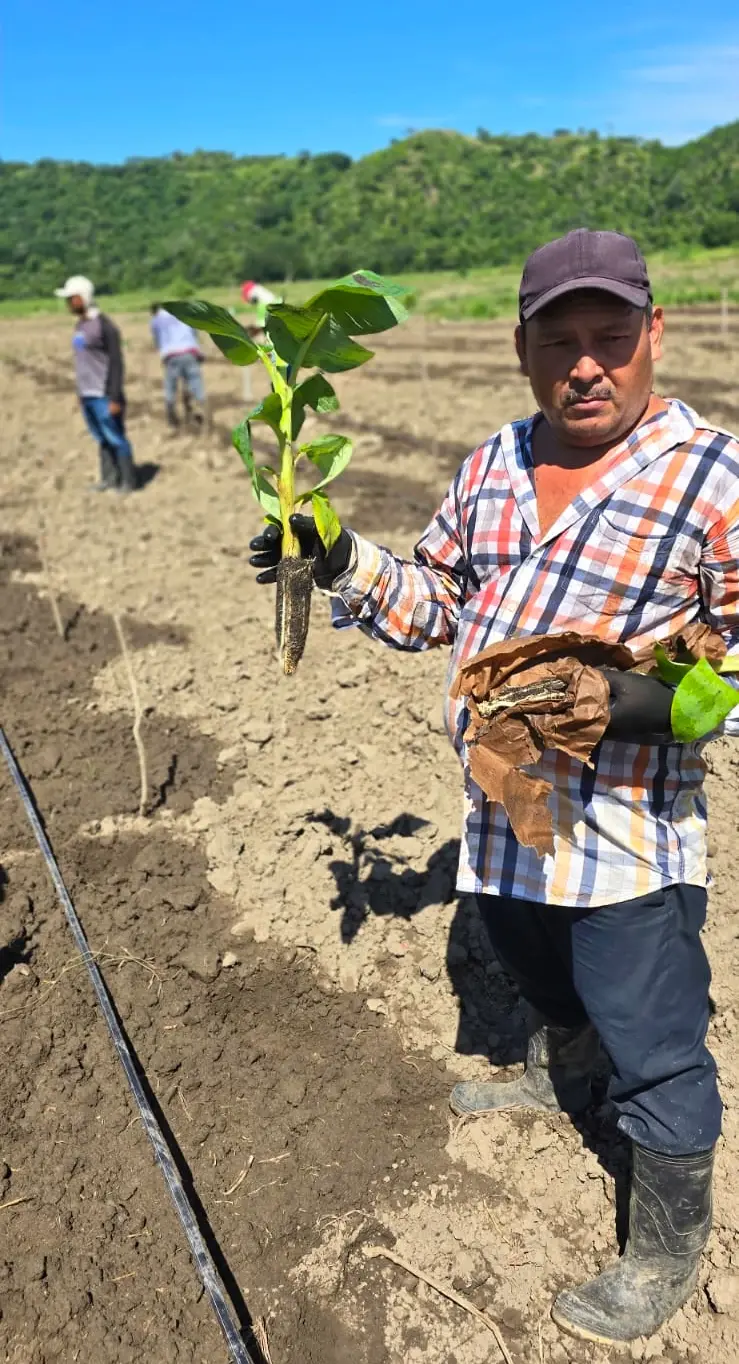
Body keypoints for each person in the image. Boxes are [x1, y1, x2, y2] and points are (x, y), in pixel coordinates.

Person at [247, 229, 739, 1346]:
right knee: (525, 958)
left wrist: (650, 703)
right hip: (502, 809)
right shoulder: (489, 467)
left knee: (651, 1031)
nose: (585, 364)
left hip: (624, 828)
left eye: (610, 337)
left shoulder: (712, 476)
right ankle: (557, 1067)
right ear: (521, 349)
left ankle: (664, 1245)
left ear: (653, 335)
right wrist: (332, 555)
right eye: (558, 341)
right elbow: (431, 602)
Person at [55, 275, 137, 494]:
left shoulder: (105, 325)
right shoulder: (81, 325)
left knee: (116, 437)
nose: (68, 304)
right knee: (101, 438)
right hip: (87, 393)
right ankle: (109, 478)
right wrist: (80, 393)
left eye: (71, 299)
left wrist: (115, 396)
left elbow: (117, 363)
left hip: (104, 393)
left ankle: (128, 481)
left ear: (83, 298)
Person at [149, 304, 206, 431]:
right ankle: (202, 410)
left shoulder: (156, 320)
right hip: (190, 353)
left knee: (170, 389)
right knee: (196, 387)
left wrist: (163, 351)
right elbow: (194, 333)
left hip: (171, 356)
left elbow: (157, 340)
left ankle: (172, 421)